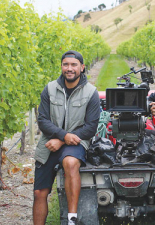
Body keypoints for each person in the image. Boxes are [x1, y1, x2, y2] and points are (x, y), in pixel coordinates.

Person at [33, 50, 100, 225]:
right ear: (61, 66)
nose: (69, 68)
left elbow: (90, 127)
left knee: (70, 163)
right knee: (39, 193)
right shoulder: (49, 89)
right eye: (66, 64)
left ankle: (71, 219)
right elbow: (42, 121)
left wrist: (63, 140)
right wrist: (62, 135)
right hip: (49, 142)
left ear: (82, 67)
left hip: (77, 141)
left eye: (73, 65)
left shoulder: (91, 92)